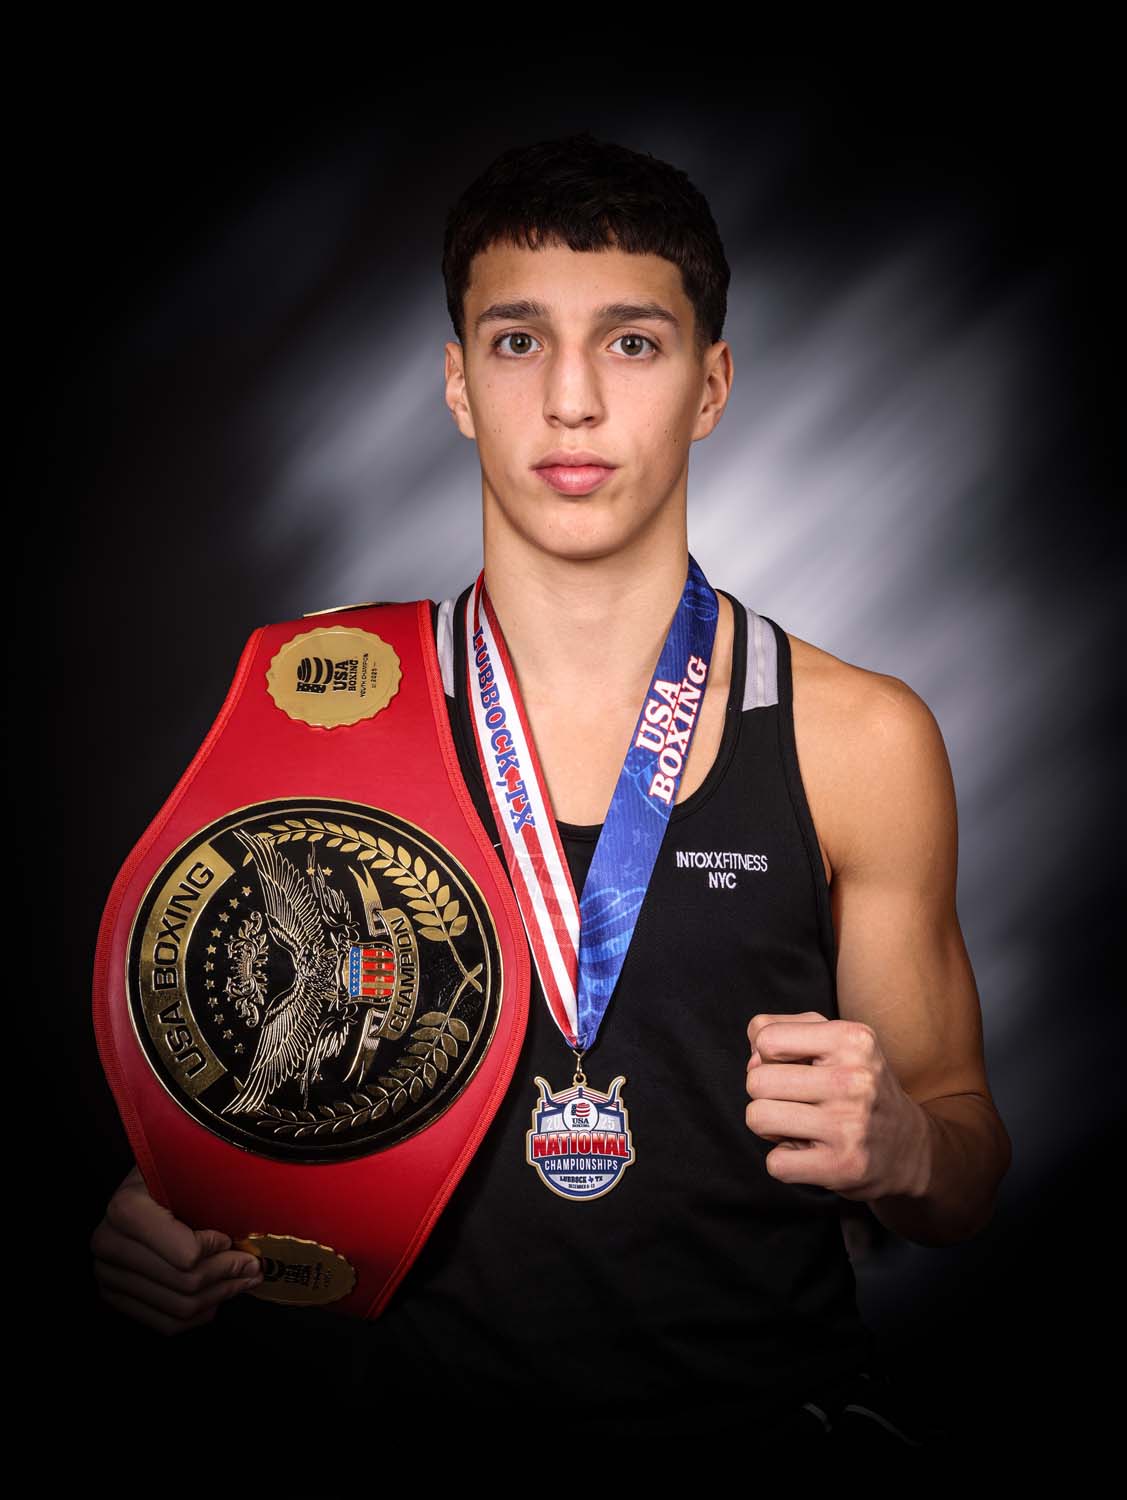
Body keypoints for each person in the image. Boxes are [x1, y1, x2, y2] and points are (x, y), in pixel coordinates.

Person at [89, 132, 1011, 1454]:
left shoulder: (860, 737)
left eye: (633, 343)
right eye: (519, 342)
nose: (572, 399)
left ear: (711, 384)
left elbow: (965, 1156)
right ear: (460, 384)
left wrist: (912, 1148)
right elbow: (240, 1070)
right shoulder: (317, 707)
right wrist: (174, 1210)